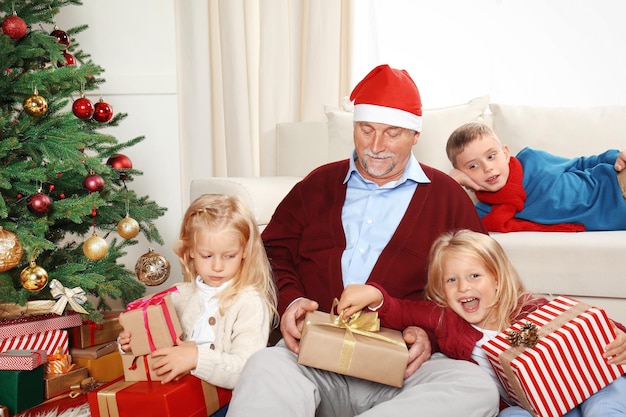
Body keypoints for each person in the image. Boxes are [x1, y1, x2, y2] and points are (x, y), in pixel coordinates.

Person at [226, 64, 499, 417]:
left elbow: (479, 286)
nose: (376, 146)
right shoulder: (317, 185)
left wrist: (429, 336)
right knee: (264, 366)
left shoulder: (447, 197)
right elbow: (271, 253)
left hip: (404, 370)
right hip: (314, 360)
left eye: (392, 133)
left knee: (477, 388)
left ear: (415, 135)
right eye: (366, 130)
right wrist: (292, 301)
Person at [337, 229, 626, 416]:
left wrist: (620, 335)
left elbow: (587, 323)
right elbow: (401, 311)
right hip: (526, 407)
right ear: (441, 290)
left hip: (582, 389)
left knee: (609, 391)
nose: (463, 288)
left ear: (498, 280)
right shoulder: (446, 318)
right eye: (452, 280)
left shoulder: (527, 307)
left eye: (475, 276)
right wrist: (375, 295)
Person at [118, 193, 278, 389]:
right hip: (177, 393)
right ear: (191, 250)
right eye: (207, 255)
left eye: (229, 256)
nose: (217, 266)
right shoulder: (177, 295)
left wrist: (196, 358)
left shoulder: (249, 302)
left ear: (244, 251)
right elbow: (153, 348)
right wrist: (129, 344)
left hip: (227, 401)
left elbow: (246, 368)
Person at [446, 121, 626, 232]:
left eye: (491, 156)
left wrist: (614, 157)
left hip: (614, 182)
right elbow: (448, 226)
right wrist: (451, 182)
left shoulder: (532, 160)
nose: (487, 168)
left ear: (506, 153)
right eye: (473, 166)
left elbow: (579, 163)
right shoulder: (486, 212)